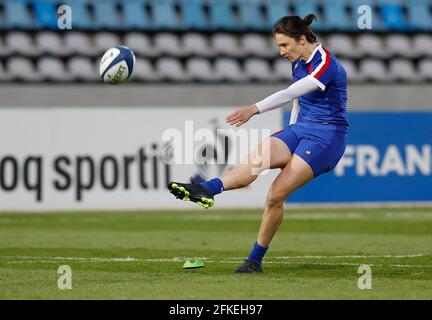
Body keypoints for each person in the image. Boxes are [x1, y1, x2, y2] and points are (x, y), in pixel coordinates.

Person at [168, 14, 349, 273]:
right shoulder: (298, 61)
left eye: (284, 45)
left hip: (327, 137)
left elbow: (290, 93)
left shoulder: (327, 63)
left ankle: (254, 261)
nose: (281, 51)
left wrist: (254, 109)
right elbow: (299, 101)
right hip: (300, 129)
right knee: (254, 163)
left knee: (275, 195)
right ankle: (206, 190)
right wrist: (291, 132)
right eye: (278, 46)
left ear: (302, 39)